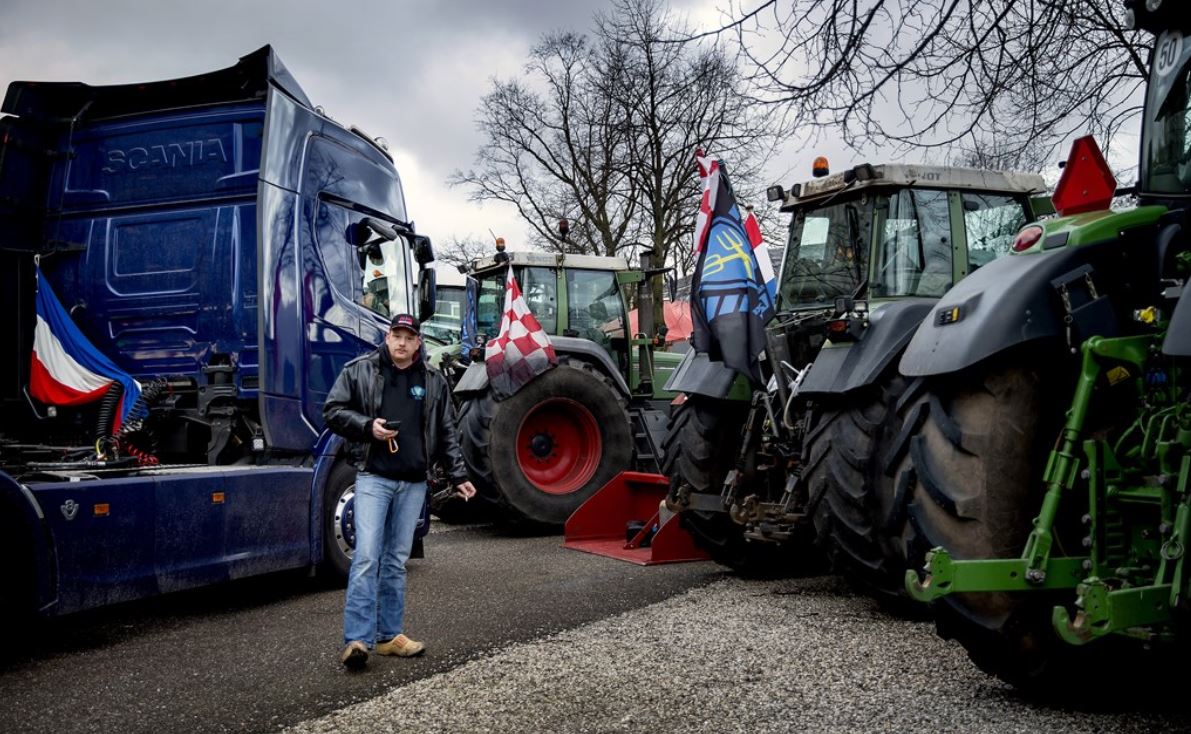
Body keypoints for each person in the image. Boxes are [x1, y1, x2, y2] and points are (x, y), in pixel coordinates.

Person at [323, 313, 476, 670]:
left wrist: (458, 475)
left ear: (418, 342)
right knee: (366, 558)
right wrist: (366, 426)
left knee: (394, 561)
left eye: (409, 337)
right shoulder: (360, 370)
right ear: (387, 337)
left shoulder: (433, 380)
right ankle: (357, 640)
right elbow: (332, 411)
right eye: (397, 335)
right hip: (374, 479)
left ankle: (389, 636)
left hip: (413, 483)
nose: (402, 343)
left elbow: (448, 431)